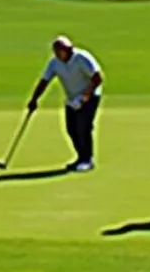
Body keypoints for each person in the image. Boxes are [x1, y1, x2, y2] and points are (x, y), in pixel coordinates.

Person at [27, 35, 103, 172]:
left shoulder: (82, 58)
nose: (59, 53)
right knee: (71, 129)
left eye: (61, 50)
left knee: (84, 127)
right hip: (71, 98)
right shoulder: (54, 63)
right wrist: (34, 99)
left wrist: (84, 98)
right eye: (56, 51)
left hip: (90, 95)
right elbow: (44, 81)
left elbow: (97, 78)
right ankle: (81, 157)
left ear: (68, 49)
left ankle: (87, 160)